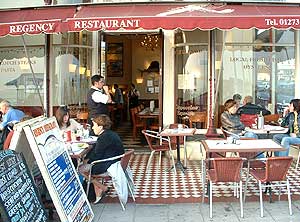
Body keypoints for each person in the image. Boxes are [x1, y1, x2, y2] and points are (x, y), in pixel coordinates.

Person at [79, 114, 124, 204]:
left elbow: (97, 156)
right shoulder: (111, 134)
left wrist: (86, 161)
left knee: (80, 169)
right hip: (115, 162)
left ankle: (101, 188)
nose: (92, 128)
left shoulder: (103, 138)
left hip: (108, 165)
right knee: (87, 165)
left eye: (94, 125)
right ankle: (100, 189)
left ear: (100, 126)